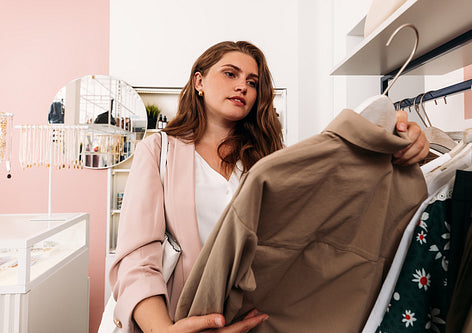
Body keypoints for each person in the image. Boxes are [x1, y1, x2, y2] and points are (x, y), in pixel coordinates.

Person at [109, 40, 429, 333]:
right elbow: (138, 256)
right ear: (199, 82)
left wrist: (397, 141)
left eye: (252, 82)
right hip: (185, 318)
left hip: (259, 319)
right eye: (230, 74)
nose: (242, 87)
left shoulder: (271, 159)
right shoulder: (159, 151)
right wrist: (162, 330)